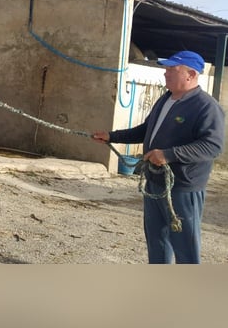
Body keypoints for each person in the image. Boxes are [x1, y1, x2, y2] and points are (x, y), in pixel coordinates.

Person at [92, 50, 225, 264]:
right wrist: (111, 136)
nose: (166, 73)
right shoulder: (166, 100)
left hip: (182, 188)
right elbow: (146, 129)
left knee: (185, 248)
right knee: (157, 242)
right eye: (166, 68)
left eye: (173, 69)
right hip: (155, 183)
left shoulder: (207, 107)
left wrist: (169, 155)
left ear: (191, 74)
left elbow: (212, 146)